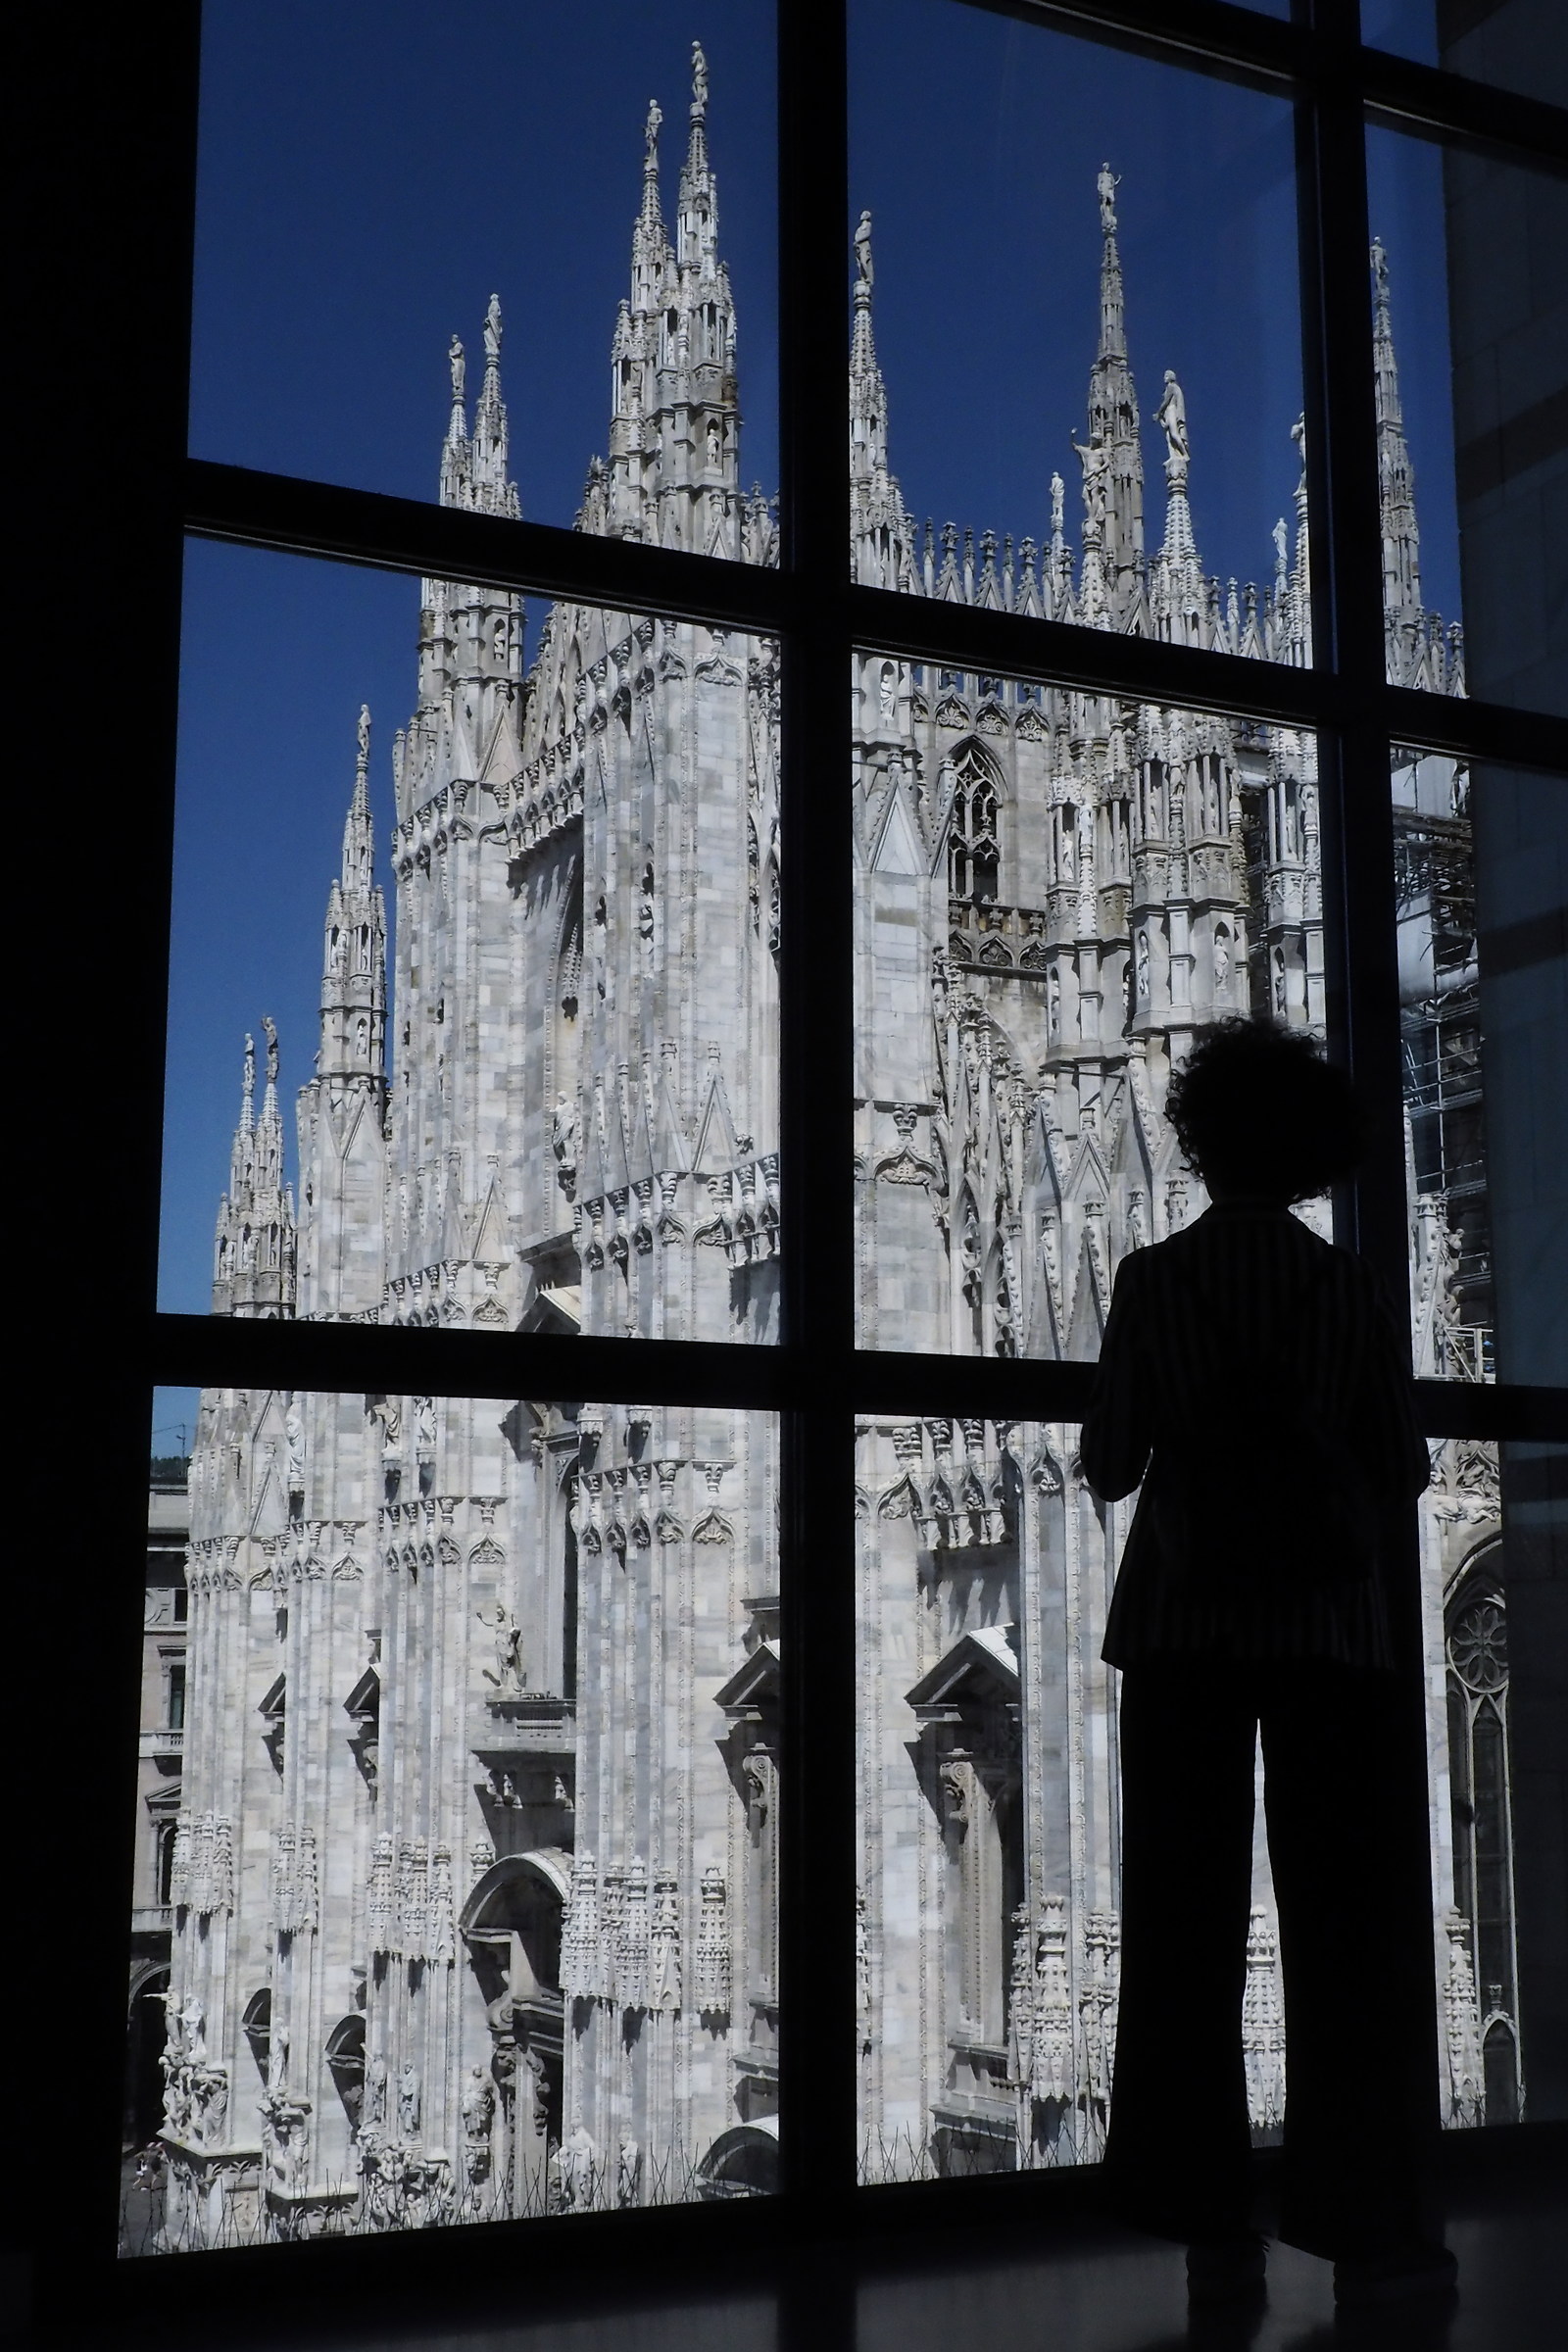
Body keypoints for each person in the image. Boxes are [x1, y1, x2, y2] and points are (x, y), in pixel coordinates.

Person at [1080, 1017, 1456, 2314]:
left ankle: (1211, 2233)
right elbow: (1405, 1465)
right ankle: (1366, 2229)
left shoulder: (1152, 1280)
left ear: (1198, 1140)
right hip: (1329, 1636)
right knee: (1344, 1930)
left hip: (1184, 1631)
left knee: (1184, 1934)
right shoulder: (1346, 1287)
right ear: (1308, 1153)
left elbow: (1111, 1460)